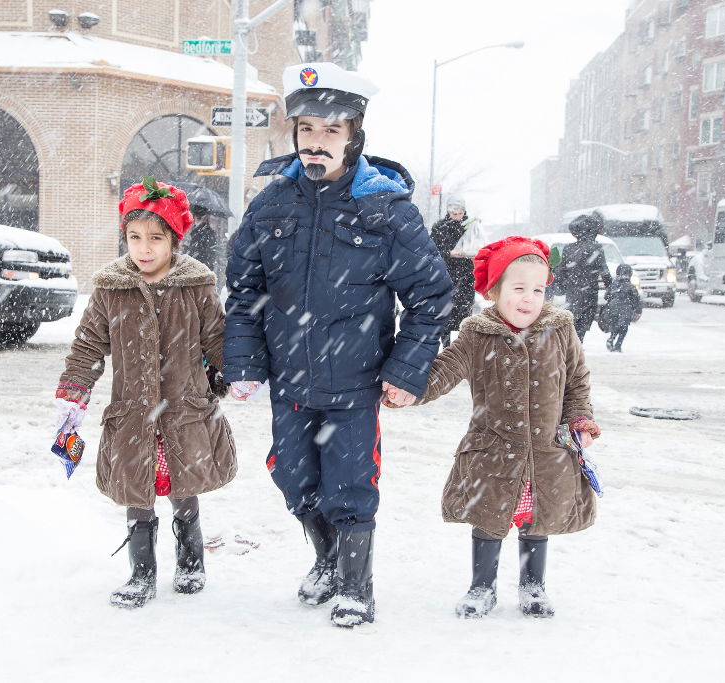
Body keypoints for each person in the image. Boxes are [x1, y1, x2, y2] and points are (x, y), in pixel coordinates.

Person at [223, 62, 453, 627]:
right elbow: (244, 287)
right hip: (290, 381)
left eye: (330, 130)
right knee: (293, 478)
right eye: (307, 130)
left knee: (349, 486)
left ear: (354, 135)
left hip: (356, 381)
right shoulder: (272, 203)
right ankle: (325, 558)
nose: (316, 143)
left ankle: (356, 585)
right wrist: (244, 362)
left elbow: (431, 298)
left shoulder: (386, 208)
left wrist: (406, 371)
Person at [55, 177, 236, 609]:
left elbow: (217, 339)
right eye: (135, 237)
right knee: (137, 492)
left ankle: (191, 561)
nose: (144, 248)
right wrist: (74, 390)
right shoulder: (110, 289)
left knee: (182, 484)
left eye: (156, 238)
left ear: (174, 240)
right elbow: (88, 346)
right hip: (134, 413)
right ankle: (141, 573)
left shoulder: (196, 285)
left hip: (184, 409)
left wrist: (232, 374)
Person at [407, 236, 601, 619]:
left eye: (538, 289)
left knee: (535, 519)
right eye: (518, 288)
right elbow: (443, 371)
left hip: (546, 451)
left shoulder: (560, 330)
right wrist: (408, 389)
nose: (529, 298)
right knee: (490, 518)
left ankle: (533, 585)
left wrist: (580, 419)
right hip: (494, 450)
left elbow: (577, 382)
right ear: (494, 291)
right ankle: (482, 587)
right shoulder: (477, 335)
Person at [554, 213, 612, 340]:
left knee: (572, 320)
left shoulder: (568, 248)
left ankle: (572, 346)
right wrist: (610, 287)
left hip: (572, 292)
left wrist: (561, 286)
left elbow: (560, 271)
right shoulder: (596, 248)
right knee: (583, 323)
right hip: (590, 292)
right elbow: (604, 271)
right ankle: (577, 346)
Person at [430, 197, 476, 347]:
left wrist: (469, 253)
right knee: (447, 316)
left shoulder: (471, 227)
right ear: (449, 211)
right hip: (447, 277)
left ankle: (462, 349)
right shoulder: (440, 227)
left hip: (466, 277)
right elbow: (433, 251)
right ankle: (447, 348)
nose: (457, 215)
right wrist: (448, 253)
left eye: (460, 212)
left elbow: (479, 247)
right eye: (454, 212)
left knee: (464, 315)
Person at [603, 263, 643, 352]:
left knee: (615, 325)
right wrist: (638, 310)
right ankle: (618, 345)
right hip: (626, 309)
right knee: (623, 328)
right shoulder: (630, 286)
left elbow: (606, 296)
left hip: (613, 308)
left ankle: (611, 338)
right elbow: (637, 299)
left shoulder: (613, 285)